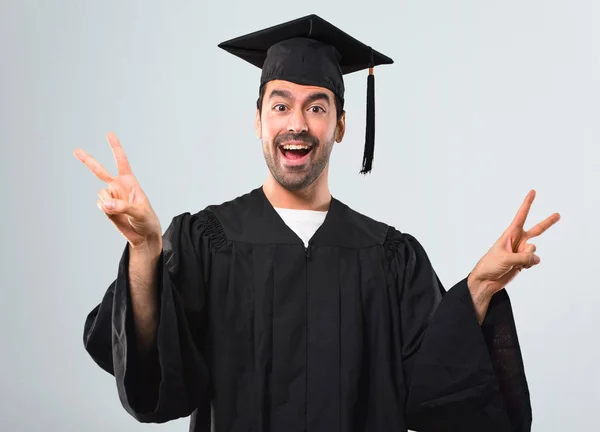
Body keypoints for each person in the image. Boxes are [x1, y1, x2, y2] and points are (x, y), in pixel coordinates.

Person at [75, 14, 560, 432]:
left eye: (317, 107)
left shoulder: (389, 256)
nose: (297, 123)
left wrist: (478, 287)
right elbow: (158, 377)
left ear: (341, 125)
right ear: (258, 119)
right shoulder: (206, 241)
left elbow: (430, 384)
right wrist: (145, 249)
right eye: (280, 105)